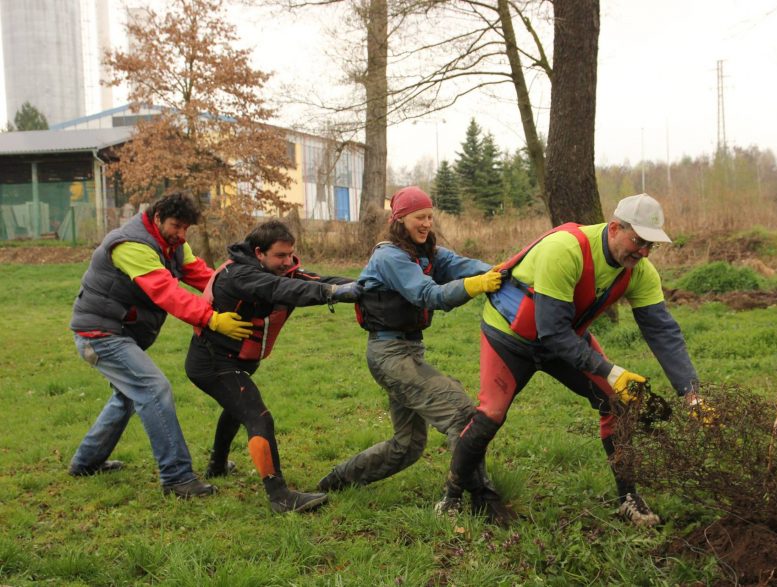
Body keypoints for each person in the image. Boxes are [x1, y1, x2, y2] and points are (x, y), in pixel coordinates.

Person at [438, 193, 701, 527]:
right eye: (639, 241)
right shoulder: (566, 249)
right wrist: (611, 370)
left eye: (652, 245)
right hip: (510, 337)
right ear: (615, 227)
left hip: (562, 338)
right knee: (491, 415)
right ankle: (451, 495)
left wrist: (691, 393)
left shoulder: (640, 272)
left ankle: (628, 499)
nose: (644, 252)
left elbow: (663, 332)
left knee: (617, 402)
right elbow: (551, 331)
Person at [315, 186, 503, 506]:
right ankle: (473, 497)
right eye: (419, 217)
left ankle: (337, 480)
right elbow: (427, 295)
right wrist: (474, 288)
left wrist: (502, 271)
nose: (427, 223)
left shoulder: (426, 254)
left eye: (430, 216)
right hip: (390, 355)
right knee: (462, 414)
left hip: (408, 352)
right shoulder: (389, 257)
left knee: (408, 446)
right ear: (400, 219)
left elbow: (464, 265)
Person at [68, 191, 253, 498]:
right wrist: (211, 319)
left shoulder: (173, 245)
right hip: (98, 334)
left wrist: (236, 292)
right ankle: (177, 478)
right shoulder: (130, 245)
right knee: (154, 388)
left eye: (185, 229)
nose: (181, 234)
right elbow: (166, 293)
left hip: (118, 332)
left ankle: (86, 462)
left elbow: (203, 276)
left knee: (128, 396)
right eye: (176, 226)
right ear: (156, 218)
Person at [184, 219, 362, 514]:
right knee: (257, 416)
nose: (288, 261)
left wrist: (363, 285)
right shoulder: (239, 275)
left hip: (237, 361)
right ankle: (279, 496)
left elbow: (312, 279)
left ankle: (217, 465)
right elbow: (282, 289)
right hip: (212, 364)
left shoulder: (278, 269)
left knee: (236, 408)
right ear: (259, 253)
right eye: (280, 255)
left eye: (290, 254)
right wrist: (333, 294)